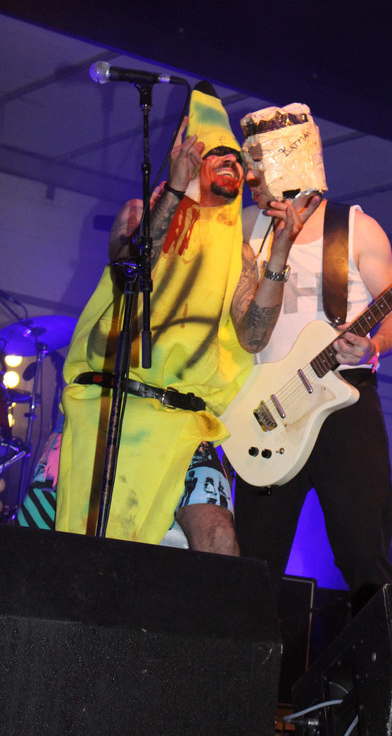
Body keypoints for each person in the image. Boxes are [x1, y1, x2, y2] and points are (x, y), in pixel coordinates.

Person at [16, 83, 317, 556]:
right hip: (108, 406)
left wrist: (279, 252)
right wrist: (176, 190)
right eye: (218, 154)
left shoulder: (240, 254)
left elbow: (254, 337)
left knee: (219, 536)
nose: (233, 163)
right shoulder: (139, 212)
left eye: (237, 159)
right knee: (48, 546)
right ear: (190, 159)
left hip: (184, 421)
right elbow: (131, 268)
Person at [231, 103, 392, 614]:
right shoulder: (244, 229)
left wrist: (374, 346)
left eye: (260, 164)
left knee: (364, 553)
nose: (251, 178)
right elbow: (243, 329)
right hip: (266, 407)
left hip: (343, 399)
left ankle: (374, 660)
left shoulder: (357, 229)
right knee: (252, 563)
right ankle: (246, 659)